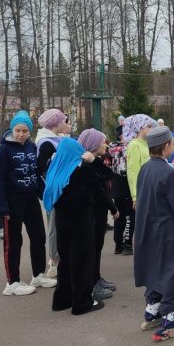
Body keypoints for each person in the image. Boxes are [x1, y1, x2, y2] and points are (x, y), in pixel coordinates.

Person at [134, 126, 174, 341]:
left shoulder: (145, 168)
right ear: (167, 146)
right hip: (167, 230)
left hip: (148, 227)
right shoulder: (168, 172)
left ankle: (153, 305)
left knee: (154, 266)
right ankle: (170, 312)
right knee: (171, 269)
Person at [0, 111, 56, 296]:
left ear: (30, 131)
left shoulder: (31, 147)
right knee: (13, 242)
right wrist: (2, 207)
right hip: (12, 201)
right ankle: (12, 282)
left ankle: (38, 275)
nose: (21, 134)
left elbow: (35, 174)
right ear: (12, 130)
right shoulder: (3, 150)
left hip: (30, 199)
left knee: (38, 236)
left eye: (25, 130)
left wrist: (45, 196)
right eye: (17, 130)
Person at [44, 133, 104, 315]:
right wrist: (93, 161)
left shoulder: (56, 171)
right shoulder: (81, 171)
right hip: (81, 221)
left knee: (66, 261)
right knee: (82, 261)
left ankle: (62, 299)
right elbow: (104, 178)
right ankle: (81, 302)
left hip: (62, 221)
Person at [36, 108, 71, 277]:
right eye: (63, 121)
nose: (65, 123)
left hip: (59, 189)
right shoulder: (46, 143)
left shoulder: (54, 140)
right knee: (54, 226)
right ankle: (55, 261)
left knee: (59, 224)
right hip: (54, 190)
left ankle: (60, 258)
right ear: (55, 123)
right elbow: (43, 167)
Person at [83, 130, 118, 301]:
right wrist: (113, 207)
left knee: (97, 247)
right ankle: (91, 283)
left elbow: (108, 175)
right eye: (104, 142)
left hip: (99, 210)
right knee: (92, 248)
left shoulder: (94, 161)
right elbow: (100, 186)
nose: (106, 145)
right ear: (94, 144)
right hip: (92, 210)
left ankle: (96, 277)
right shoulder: (87, 163)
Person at [123, 114, 156, 255]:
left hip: (151, 190)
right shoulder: (134, 145)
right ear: (139, 128)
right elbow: (133, 172)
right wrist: (135, 196)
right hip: (142, 192)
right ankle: (144, 256)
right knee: (144, 226)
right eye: (148, 126)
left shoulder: (147, 144)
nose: (151, 129)